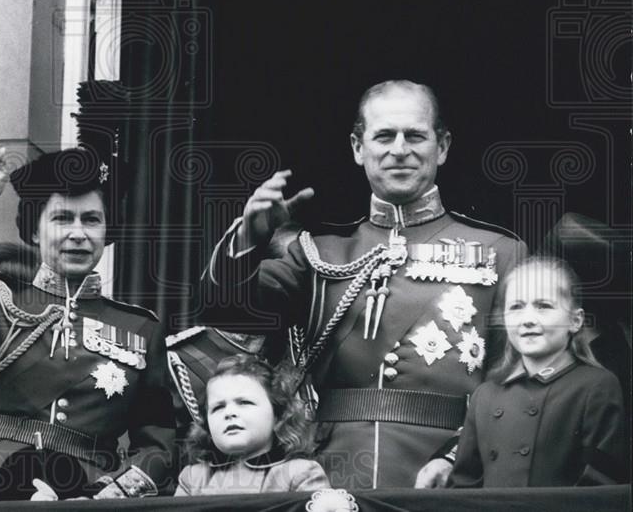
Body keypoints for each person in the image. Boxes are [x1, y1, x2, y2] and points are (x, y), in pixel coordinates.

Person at [201, 80, 527, 489]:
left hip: (446, 475)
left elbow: (514, 380)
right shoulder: (320, 252)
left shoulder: (501, 251)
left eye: (415, 135)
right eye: (384, 136)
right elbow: (227, 311)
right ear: (358, 147)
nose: (400, 149)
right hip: (326, 473)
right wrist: (248, 242)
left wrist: (459, 459)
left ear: (442, 146)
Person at [0, 121, 176, 502]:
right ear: (33, 231)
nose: (78, 233)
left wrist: (107, 496)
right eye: (62, 219)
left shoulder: (140, 329)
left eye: (91, 219)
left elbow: (158, 443)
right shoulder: (0, 300)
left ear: (108, 232)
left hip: (91, 491)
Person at [449, 257, 627, 487]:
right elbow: (461, 489)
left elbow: (600, 489)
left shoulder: (597, 387)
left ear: (575, 320)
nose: (528, 319)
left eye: (543, 306)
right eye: (516, 307)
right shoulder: (485, 395)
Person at [174, 355, 328, 495]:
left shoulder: (301, 473)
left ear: (278, 415)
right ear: (206, 425)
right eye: (218, 407)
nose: (229, 413)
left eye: (244, 402)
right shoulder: (193, 479)